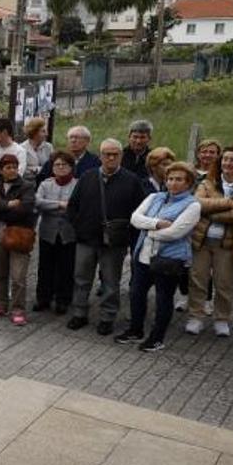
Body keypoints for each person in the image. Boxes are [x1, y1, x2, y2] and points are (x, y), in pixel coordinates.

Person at [65, 139, 149, 336]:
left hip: (115, 243)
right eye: (106, 154)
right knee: (81, 279)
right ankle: (79, 313)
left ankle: (107, 317)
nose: (111, 157)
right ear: (100, 155)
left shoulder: (131, 180)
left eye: (115, 154)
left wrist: (128, 237)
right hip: (86, 239)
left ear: (121, 155)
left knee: (111, 282)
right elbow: (72, 206)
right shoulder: (87, 177)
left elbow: (140, 212)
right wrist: (79, 228)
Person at [116, 162, 200, 352]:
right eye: (170, 179)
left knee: (163, 298)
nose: (173, 183)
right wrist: (157, 224)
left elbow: (176, 232)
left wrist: (149, 231)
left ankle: (157, 338)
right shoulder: (155, 197)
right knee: (136, 293)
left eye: (179, 179)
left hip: (169, 260)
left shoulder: (193, 205)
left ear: (188, 183)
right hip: (143, 256)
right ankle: (135, 330)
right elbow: (134, 218)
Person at [186, 145, 233, 337]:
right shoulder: (208, 182)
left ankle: (221, 319)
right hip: (201, 241)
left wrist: (212, 214)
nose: (228, 163)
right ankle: (196, 317)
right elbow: (197, 204)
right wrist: (227, 204)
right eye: (225, 159)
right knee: (197, 280)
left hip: (227, 245)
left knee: (224, 283)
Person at [0, 153, 36, 325]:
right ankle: (0, 304)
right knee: (0, 272)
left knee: (18, 275)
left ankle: (18, 308)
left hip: (18, 233)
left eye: (14, 167)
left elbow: (25, 208)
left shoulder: (26, 186)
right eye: (8, 167)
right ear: (1, 170)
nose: (12, 170)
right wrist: (7, 205)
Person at [34, 151, 78, 315]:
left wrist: (51, 206)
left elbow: (75, 206)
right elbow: (38, 202)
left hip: (68, 234)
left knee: (66, 268)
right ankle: (43, 298)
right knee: (45, 267)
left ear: (71, 167)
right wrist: (60, 205)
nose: (60, 167)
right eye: (57, 165)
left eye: (64, 164)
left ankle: (63, 300)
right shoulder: (46, 184)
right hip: (48, 233)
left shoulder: (77, 184)